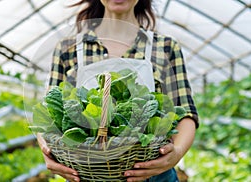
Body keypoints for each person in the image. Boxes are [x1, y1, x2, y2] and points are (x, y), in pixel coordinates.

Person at [37, 0, 199, 181]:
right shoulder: (68, 48)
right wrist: (48, 152)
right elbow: (47, 116)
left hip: (151, 174)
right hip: (87, 174)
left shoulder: (165, 47)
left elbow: (186, 113)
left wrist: (175, 154)